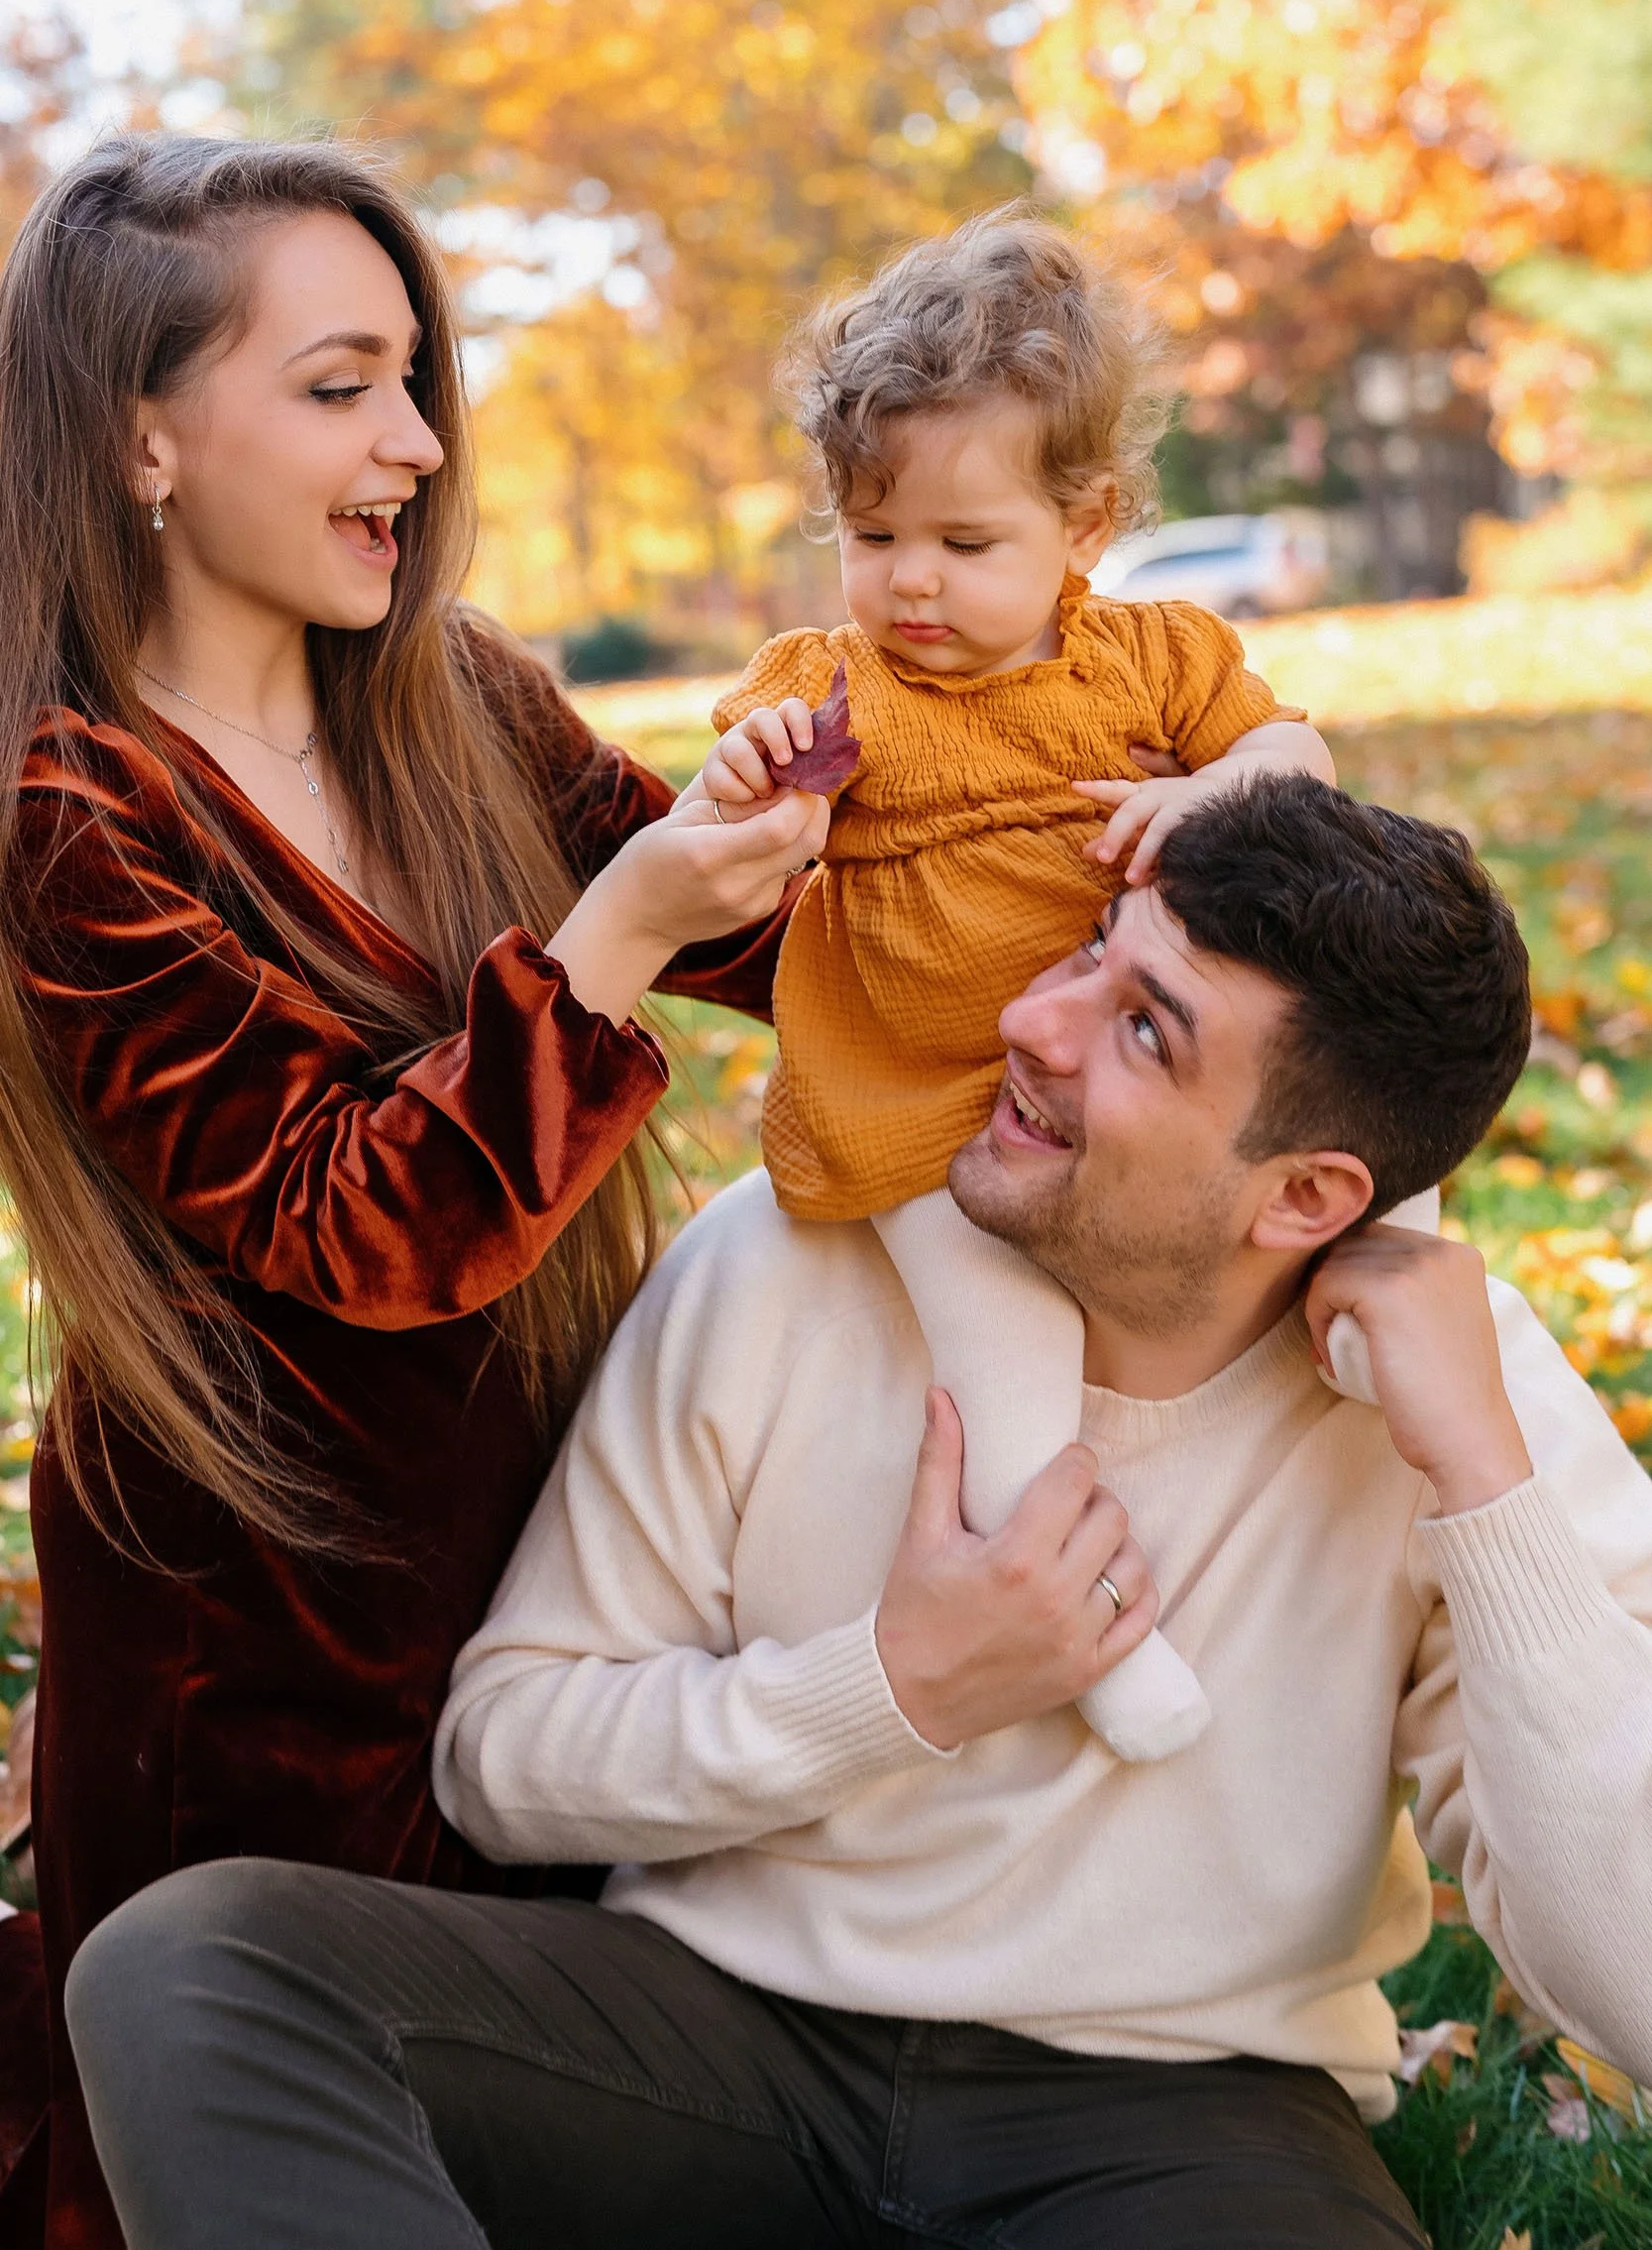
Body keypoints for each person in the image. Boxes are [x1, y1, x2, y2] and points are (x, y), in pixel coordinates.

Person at [62, 776, 1652, 2248]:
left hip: (1179, 2111)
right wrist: (895, 1689)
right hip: (709, 2043)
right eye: (1092, 951)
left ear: (1303, 1197)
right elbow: (505, 1758)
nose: (1032, 1021)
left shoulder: (1456, 1394)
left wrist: (1483, 1486)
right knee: (198, 1966)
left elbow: (1631, 1986)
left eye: (1144, 1032)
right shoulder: (794, 1246)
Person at [0, 132, 825, 2249]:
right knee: (272, 2133)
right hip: (254, 1626)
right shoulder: (75, 810)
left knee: (562, 2107)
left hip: (552, 1544)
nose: (417, 438)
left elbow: (815, 942)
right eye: (342, 382)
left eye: (413, 377)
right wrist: (612, 936)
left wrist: (1148, 785)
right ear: (142, 434)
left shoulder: (451, 696)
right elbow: (349, 1223)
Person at [695, 207, 1336, 1759]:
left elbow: (1294, 751)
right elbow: (717, 817)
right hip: (927, 1106)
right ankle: (1089, 1624)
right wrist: (745, 779)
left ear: (1086, 523)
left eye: (963, 544)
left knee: (1337, 1147)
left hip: (1132, 1081)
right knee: (1004, 1360)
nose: (908, 582)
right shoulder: (823, 686)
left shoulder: (1151, 660)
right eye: (870, 534)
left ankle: (1389, 1339)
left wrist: (1220, 790)